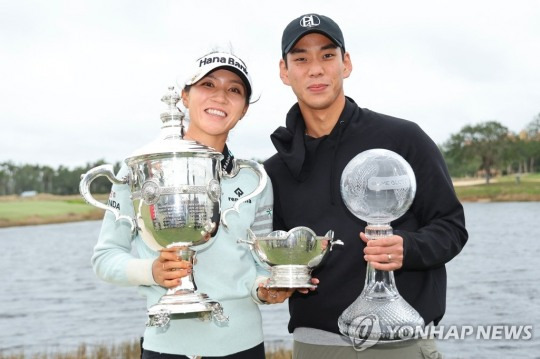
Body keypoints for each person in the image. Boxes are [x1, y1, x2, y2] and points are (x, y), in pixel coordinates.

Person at [264, 13, 468, 359]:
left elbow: (451, 227)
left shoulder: (403, 139)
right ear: (285, 71)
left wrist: (409, 248)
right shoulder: (275, 170)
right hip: (316, 345)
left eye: (328, 55)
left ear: (346, 64)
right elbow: (272, 258)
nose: (315, 69)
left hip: (400, 342)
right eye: (301, 58)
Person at [92, 50, 279, 359]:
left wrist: (265, 288)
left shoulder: (254, 178)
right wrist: (151, 271)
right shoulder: (140, 170)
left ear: (244, 109)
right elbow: (105, 257)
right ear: (185, 97)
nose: (220, 96)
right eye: (208, 85)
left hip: (245, 348)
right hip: (165, 348)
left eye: (234, 90)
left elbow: (261, 263)